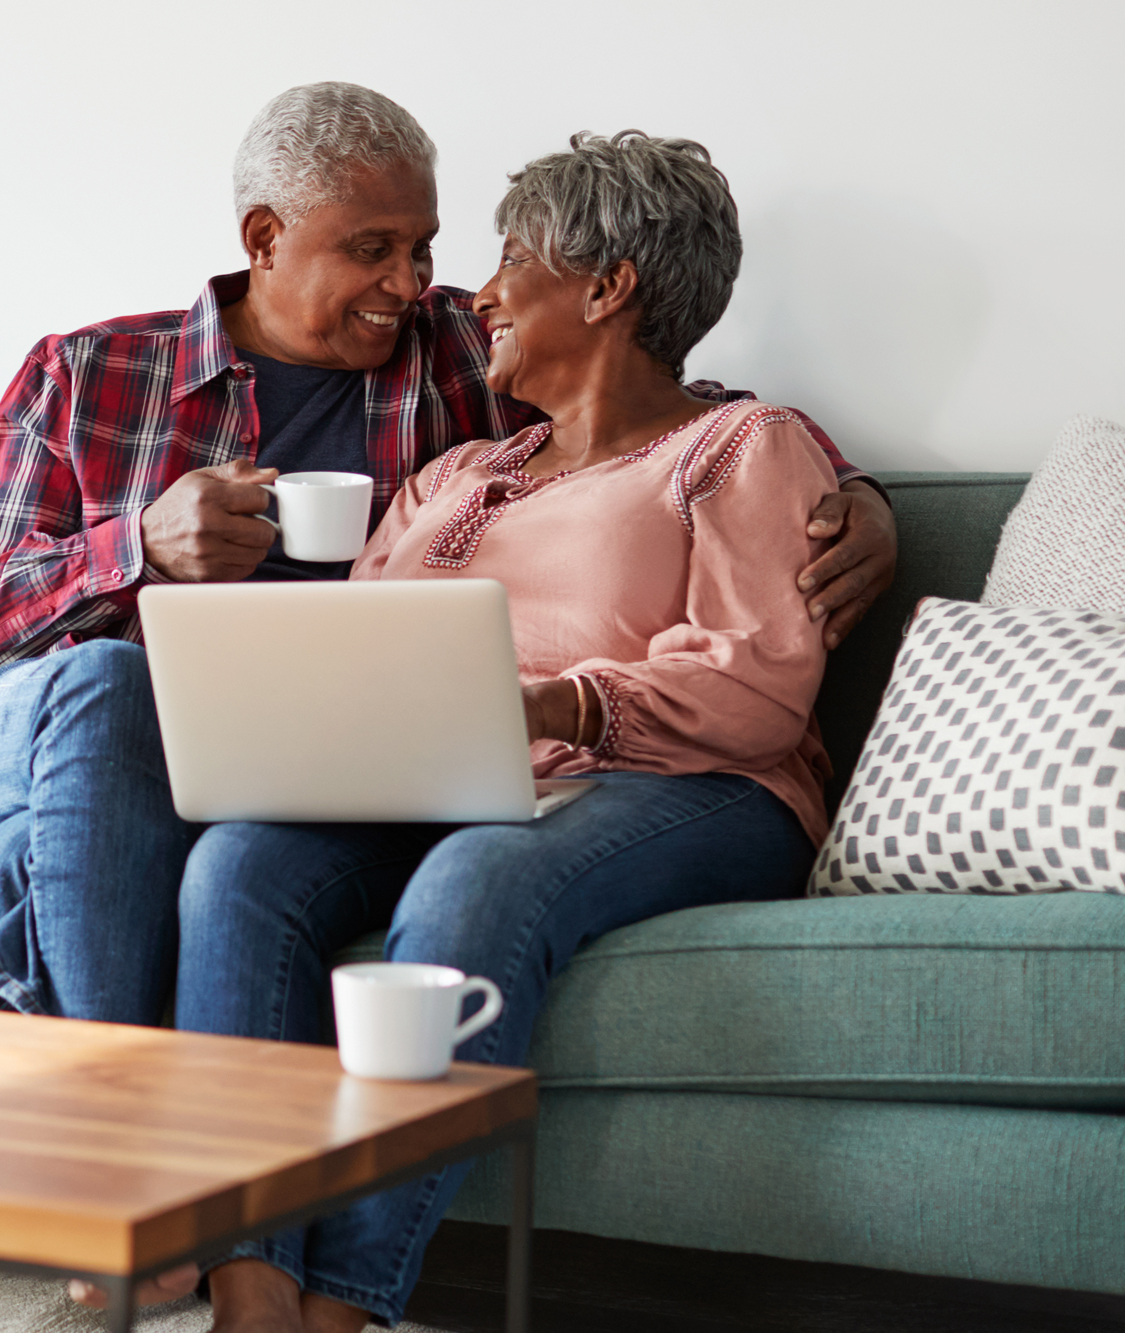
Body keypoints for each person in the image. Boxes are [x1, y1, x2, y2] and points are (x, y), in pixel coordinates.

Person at [0, 85, 892, 1333]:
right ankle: (137, 1162)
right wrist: (133, 547)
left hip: (290, 758)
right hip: (41, 719)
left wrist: (854, 493)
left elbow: (677, 409)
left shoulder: (463, 365)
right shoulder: (90, 371)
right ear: (263, 237)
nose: (418, 284)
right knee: (109, 688)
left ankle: (156, 1268)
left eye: (430, 249)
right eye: (370, 249)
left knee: (152, 859)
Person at [169, 129, 834, 1331]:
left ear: (606, 284)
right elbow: (369, 654)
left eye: (510, 258)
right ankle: (250, 1286)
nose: (475, 294)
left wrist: (556, 701)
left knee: (478, 878)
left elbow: (761, 682)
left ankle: (342, 1306)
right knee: (239, 863)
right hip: (454, 767)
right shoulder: (454, 474)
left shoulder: (740, 449)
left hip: (686, 778)